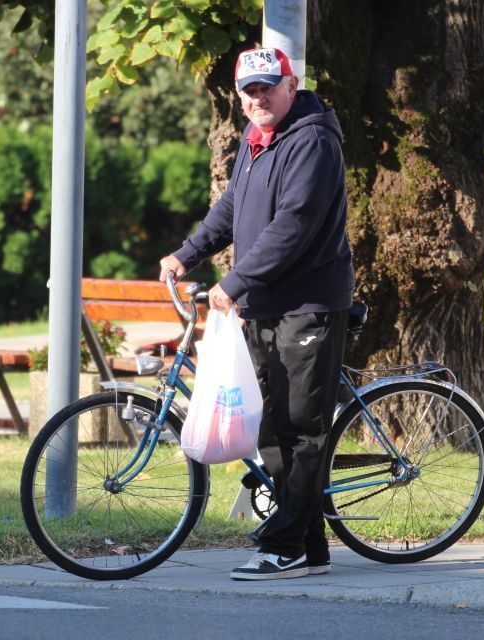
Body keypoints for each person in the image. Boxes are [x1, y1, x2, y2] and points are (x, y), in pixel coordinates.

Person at [158, 47, 355, 581]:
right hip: (266, 303)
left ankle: (285, 546)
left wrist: (235, 281)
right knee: (271, 425)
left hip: (307, 304)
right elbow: (232, 208)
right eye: (249, 90)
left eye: (268, 86)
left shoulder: (312, 141)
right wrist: (187, 254)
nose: (258, 97)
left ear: (292, 85)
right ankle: (309, 547)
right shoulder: (256, 138)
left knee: (300, 429)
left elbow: (294, 226)